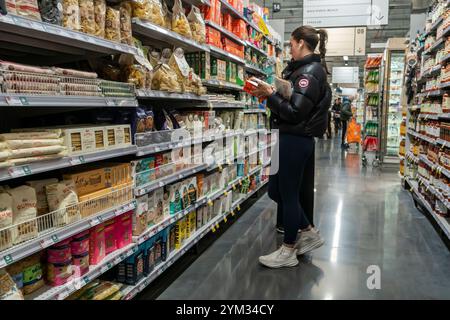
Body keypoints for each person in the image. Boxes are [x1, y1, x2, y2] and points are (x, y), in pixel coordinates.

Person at [250, 25, 331, 268]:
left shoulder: (310, 73)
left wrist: (269, 96)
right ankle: (307, 231)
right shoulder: (301, 70)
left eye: (291, 44)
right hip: (287, 137)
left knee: (288, 192)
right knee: (276, 190)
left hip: (296, 139)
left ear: (301, 43)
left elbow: (295, 112)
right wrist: (273, 93)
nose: (290, 49)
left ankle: (288, 250)